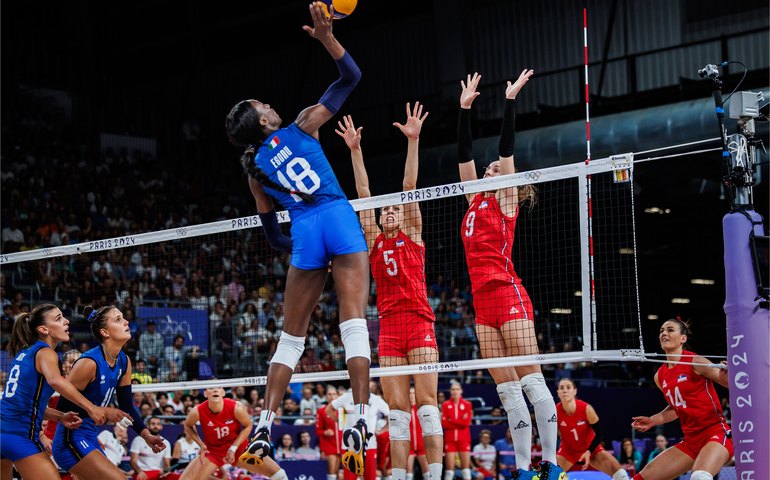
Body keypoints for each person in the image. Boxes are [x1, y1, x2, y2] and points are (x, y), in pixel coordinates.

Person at [227, 4, 371, 472]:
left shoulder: (254, 170)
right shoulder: (302, 124)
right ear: (264, 121)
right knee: (353, 323)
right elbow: (350, 76)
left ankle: (264, 425)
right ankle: (361, 418)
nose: (269, 104)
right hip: (337, 215)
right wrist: (328, 39)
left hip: (305, 230)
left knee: (291, 338)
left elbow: (271, 234)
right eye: (262, 106)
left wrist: (304, 255)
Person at [456, 70, 563, 480]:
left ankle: (549, 465)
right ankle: (522, 469)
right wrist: (464, 109)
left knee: (532, 380)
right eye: (489, 170)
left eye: (496, 170)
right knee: (507, 390)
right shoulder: (472, 199)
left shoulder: (505, 201)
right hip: (481, 304)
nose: (488, 169)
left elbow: (505, 151)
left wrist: (510, 102)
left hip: (507, 293)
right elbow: (465, 157)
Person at [336, 102, 443, 480]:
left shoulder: (413, 233)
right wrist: (355, 150)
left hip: (419, 322)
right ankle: (398, 477)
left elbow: (409, 186)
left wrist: (413, 141)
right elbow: (364, 193)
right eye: (385, 212)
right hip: (390, 327)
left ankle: (435, 475)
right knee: (397, 411)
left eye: (395, 209)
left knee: (427, 405)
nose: (390, 213)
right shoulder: (375, 240)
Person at [52, 305, 167, 480]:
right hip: (70, 439)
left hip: (90, 435)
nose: (126, 321)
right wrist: (101, 410)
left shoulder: (124, 361)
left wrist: (146, 435)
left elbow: (127, 407)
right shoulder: (88, 363)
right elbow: (63, 408)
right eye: (118, 319)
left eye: (123, 318)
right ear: (105, 332)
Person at [0, 304, 113, 479]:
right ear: (43, 329)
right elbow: (55, 380)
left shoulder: (23, 354)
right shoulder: (46, 352)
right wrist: (91, 408)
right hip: (19, 436)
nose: (66, 321)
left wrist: (60, 416)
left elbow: (24, 404)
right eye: (58, 318)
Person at [630, 319, 732, 480]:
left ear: (683, 338)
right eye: (661, 331)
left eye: (670, 330)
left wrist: (730, 374)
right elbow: (676, 408)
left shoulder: (695, 362)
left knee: (699, 476)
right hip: (691, 441)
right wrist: (652, 420)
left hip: (716, 434)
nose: (664, 333)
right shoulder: (660, 376)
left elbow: (732, 385)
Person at [555, 378, 628, 479]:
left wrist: (589, 451)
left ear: (575, 391)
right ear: (558, 392)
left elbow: (599, 433)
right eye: (561, 388)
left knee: (621, 475)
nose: (565, 390)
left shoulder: (586, 409)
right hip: (568, 451)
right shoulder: (554, 412)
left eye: (568, 387)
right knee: (548, 476)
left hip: (591, 449)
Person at [178, 387, 256, 480]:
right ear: (205, 393)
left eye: (218, 387)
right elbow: (187, 425)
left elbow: (248, 425)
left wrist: (234, 447)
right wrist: (201, 444)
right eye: (211, 388)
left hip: (236, 447)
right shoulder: (197, 410)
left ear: (223, 392)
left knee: (274, 472)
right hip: (213, 451)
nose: (215, 390)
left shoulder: (236, 407)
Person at [327, 384, 391, 480]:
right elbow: (329, 410)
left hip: (369, 445)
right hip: (349, 445)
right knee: (349, 477)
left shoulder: (376, 399)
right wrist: (341, 423)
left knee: (370, 477)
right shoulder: (346, 397)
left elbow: (391, 415)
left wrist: (382, 430)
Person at [442, 383, 472, 480]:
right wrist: (460, 420)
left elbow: (466, 423)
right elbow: (444, 423)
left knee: (465, 469)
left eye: (457, 389)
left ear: (461, 391)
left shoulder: (467, 404)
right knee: (449, 470)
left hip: (464, 439)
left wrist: (451, 420)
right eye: (453, 389)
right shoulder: (445, 404)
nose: (455, 391)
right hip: (450, 440)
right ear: (450, 391)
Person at [316, 385, 342, 480]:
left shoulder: (342, 410)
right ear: (326, 396)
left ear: (338, 396)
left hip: (342, 445)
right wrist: (325, 432)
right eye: (329, 394)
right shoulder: (322, 411)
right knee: (331, 473)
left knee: (339, 473)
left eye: (334, 394)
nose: (332, 397)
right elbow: (318, 431)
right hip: (329, 445)